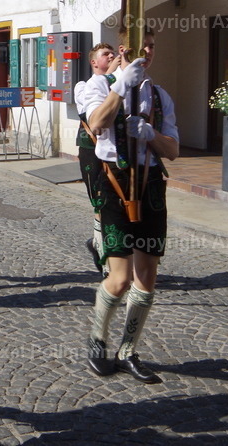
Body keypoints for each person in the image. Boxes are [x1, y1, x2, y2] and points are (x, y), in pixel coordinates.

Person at [82, 30, 179, 384]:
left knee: (147, 278)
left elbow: (173, 151)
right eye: (141, 46)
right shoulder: (94, 86)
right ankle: (97, 339)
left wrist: (152, 135)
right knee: (120, 279)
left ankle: (128, 349)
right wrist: (121, 84)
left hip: (151, 184)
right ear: (124, 49)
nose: (147, 52)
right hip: (115, 183)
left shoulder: (160, 95)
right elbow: (97, 122)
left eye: (151, 46)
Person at [75, 43, 120, 276]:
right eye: (106, 55)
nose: (111, 56)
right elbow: (90, 115)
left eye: (113, 54)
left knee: (116, 201)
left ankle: (104, 247)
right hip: (90, 148)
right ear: (94, 62)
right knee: (99, 201)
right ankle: (103, 257)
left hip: (114, 150)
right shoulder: (83, 86)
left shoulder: (120, 84)